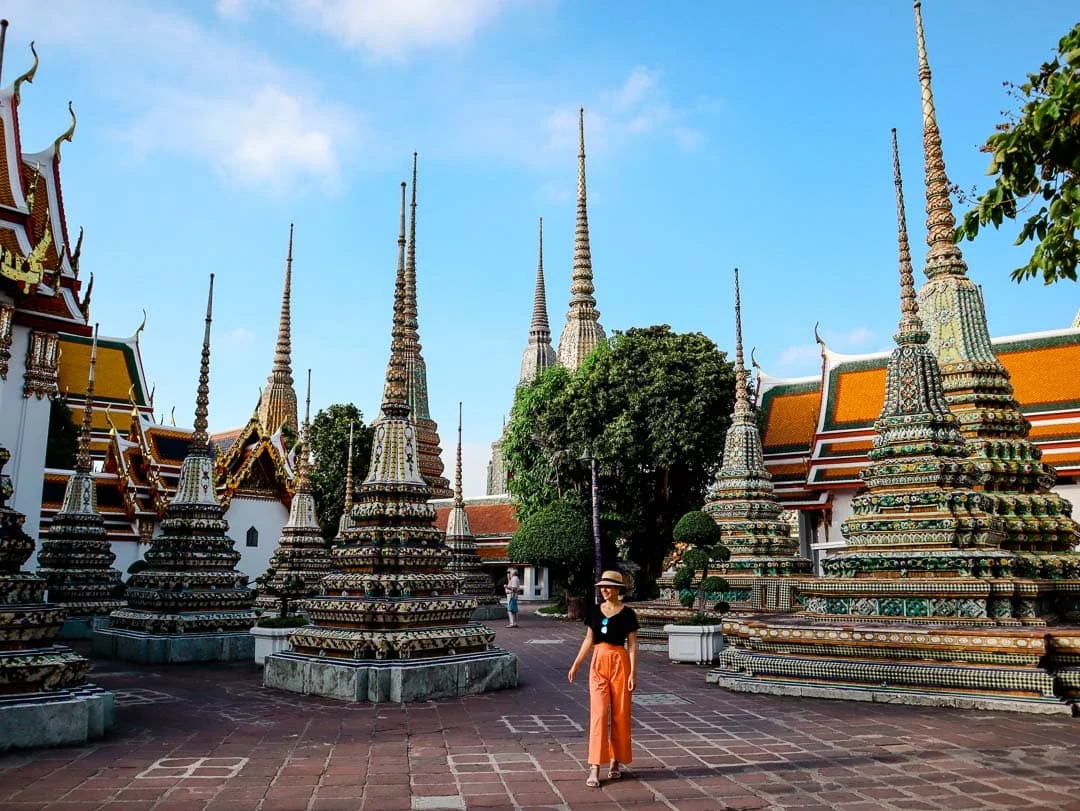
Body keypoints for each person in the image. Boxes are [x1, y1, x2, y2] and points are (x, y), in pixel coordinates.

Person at [567, 570, 639, 788]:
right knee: (598, 713)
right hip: (598, 661)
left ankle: (615, 762)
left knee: (620, 713)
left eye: (608, 586)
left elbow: (633, 646)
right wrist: (576, 664)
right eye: (602, 587)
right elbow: (588, 640)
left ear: (618, 589)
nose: (604, 590)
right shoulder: (594, 612)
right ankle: (595, 766)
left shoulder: (628, 614)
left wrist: (633, 673)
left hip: (620, 661)